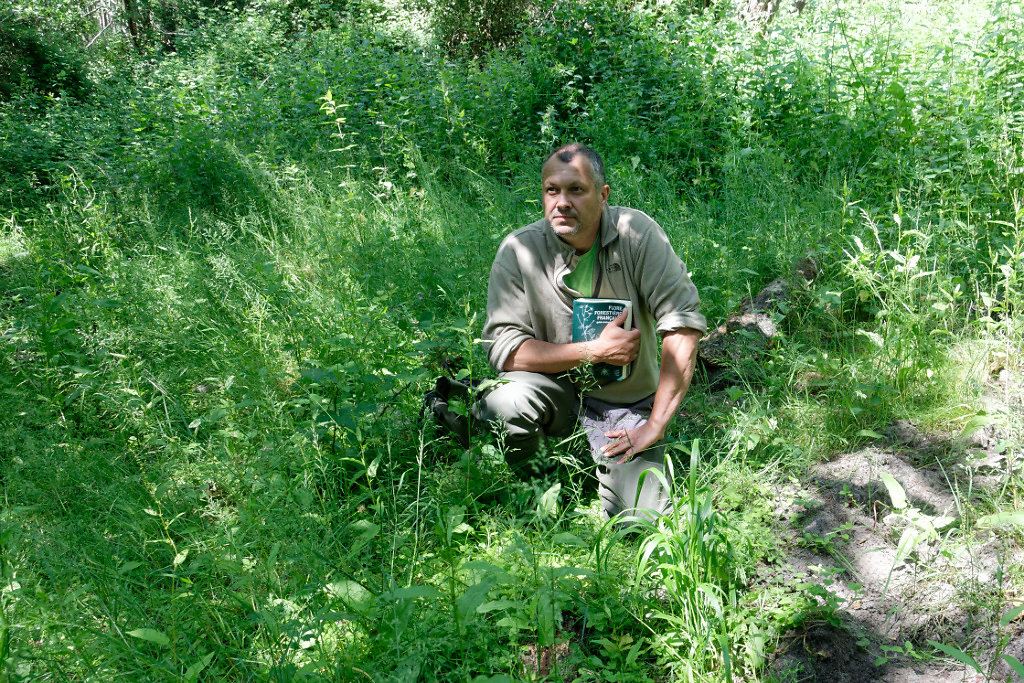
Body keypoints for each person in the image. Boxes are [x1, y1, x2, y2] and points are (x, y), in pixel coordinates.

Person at [472, 143, 707, 521]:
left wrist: (655, 426)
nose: (561, 202)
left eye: (576, 190)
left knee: (638, 521)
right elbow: (505, 350)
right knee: (503, 401)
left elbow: (682, 325)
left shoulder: (637, 235)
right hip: (554, 395)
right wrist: (593, 352)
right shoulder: (519, 250)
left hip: (626, 402)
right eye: (552, 190)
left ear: (603, 195)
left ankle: (618, 467)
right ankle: (542, 491)